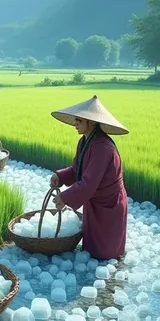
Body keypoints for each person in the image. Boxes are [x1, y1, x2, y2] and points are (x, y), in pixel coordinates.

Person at [50, 94, 129, 260]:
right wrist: (61, 176)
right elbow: (77, 169)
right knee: (92, 249)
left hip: (108, 203)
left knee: (106, 253)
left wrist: (64, 197)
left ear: (91, 122)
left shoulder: (103, 147)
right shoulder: (84, 141)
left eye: (79, 121)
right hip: (95, 200)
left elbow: (89, 182)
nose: (75, 124)